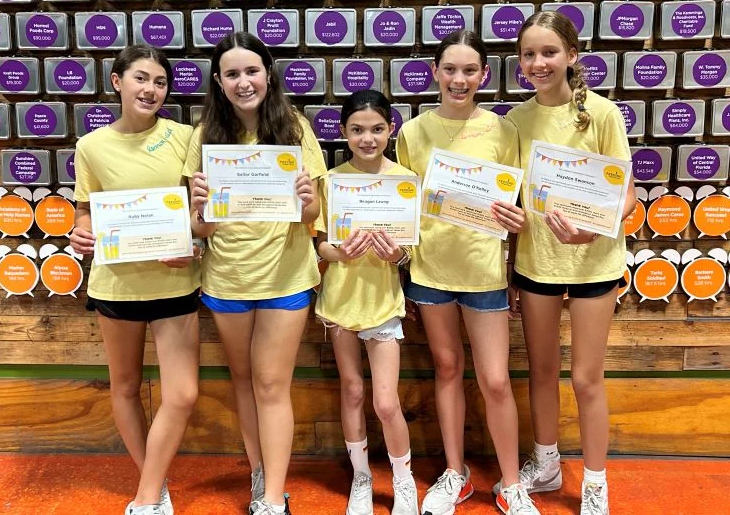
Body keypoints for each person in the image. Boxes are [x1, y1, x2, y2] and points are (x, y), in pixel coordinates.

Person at [396, 30, 539, 515]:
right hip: (431, 272)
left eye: (469, 71)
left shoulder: (504, 131)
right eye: (450, 69)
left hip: (485, 275)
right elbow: (404, 207)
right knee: (448, 368)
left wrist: (518, 230)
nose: (459, 79)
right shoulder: (413, 132)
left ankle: (511, 483)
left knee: (496, 380)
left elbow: (518, 206)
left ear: (484, 76)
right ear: (435, 73)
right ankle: (455, 474)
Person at [185, 32, 326, 515]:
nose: (244, 82)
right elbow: (198, 226)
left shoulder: (296, 130)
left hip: (286, 276)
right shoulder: (203, 135)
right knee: (244, 381)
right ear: (219, 82)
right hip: (226, 278)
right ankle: (259, 472)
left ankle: (272, 498)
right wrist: (200, 209)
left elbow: (314, 219)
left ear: (268, 73)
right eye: (232, 74)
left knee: (271, 385)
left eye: (252, 71)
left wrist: (309, 203)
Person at [505, 11, 637, 515]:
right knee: (541, 371)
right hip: (537, 264)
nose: (538, 63)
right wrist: (512, 260)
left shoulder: (602, 114)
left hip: (594, 265)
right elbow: (512, 199)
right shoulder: (515, 121)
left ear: (572, 56)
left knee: (585, 377)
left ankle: (596, 482)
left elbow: (627, 195)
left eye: (548, 53)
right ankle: (546, 462)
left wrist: (594, 227)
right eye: (529, 55)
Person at [70, 44, 202, 515]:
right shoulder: (91, 146)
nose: (150, 89)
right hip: (116, 285)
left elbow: (198, 208)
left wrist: (191, 240)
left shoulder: (186, 136)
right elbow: (86, 210)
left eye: (160, 82)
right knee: (124, 387)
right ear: (118, 81)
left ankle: (147, 493)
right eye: (141, 78)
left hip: (175, 282)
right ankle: (153, 490)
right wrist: (80, 234)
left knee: (183, 393)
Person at [314, 90, 417, 515]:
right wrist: (341, 253)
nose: (367, 138)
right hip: (340, 302)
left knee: (386, 401)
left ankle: (403, 480)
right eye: (357, 130)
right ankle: (361, 478)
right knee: (353, 390)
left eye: (376, 129)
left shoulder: (405, 179)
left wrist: (399, 256)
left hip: (383, 303)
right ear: (344, 132)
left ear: (390, 130)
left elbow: (411, 250)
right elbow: (320, 245)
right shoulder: (331, 181)